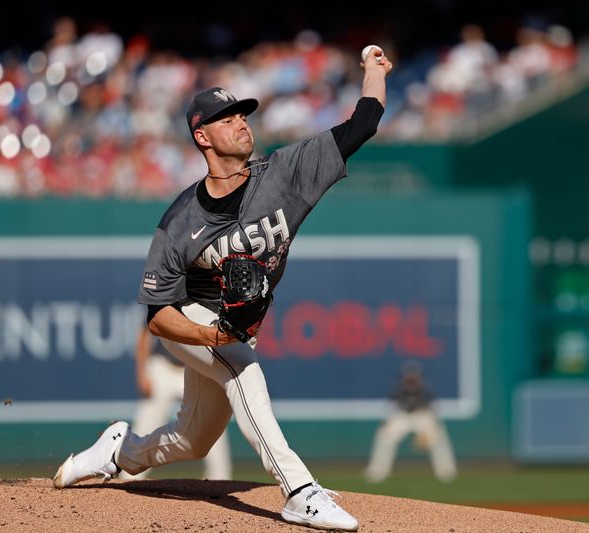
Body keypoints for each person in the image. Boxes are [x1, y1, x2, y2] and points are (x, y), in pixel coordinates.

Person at [52, 44, 393, 531]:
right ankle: (298, 491)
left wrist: (373, 71)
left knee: (195, 439)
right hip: (190, 321)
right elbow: (156, 315)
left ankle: (118, 452)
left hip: (230, 328)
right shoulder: (180, 220)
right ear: (202, 136)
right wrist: (215, 338)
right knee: (243, 369)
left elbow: (362, 124)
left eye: (242, 114)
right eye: (227, 117)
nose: (241, 123)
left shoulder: (286, 175)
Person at [119, 323, 232, 481]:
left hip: (195, 367)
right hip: (163, 367)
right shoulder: (171, 298)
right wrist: (142, 372)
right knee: (146, 423)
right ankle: (128, 477)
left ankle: (220, 479)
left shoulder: (209, 301)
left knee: (212, 423)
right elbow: (145, 333)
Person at [363, 360, 458, 484]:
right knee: (385, 436)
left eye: (414, 373)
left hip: (422, 415)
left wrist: (429, 430)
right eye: (409, 373)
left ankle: (446, 471)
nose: (411, 376)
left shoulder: (426, 388)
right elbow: (392, 407)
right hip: (402, 416)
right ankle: (377, 472)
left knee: (438, 435)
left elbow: (433, 409)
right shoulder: (398, 387)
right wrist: (388, 422)